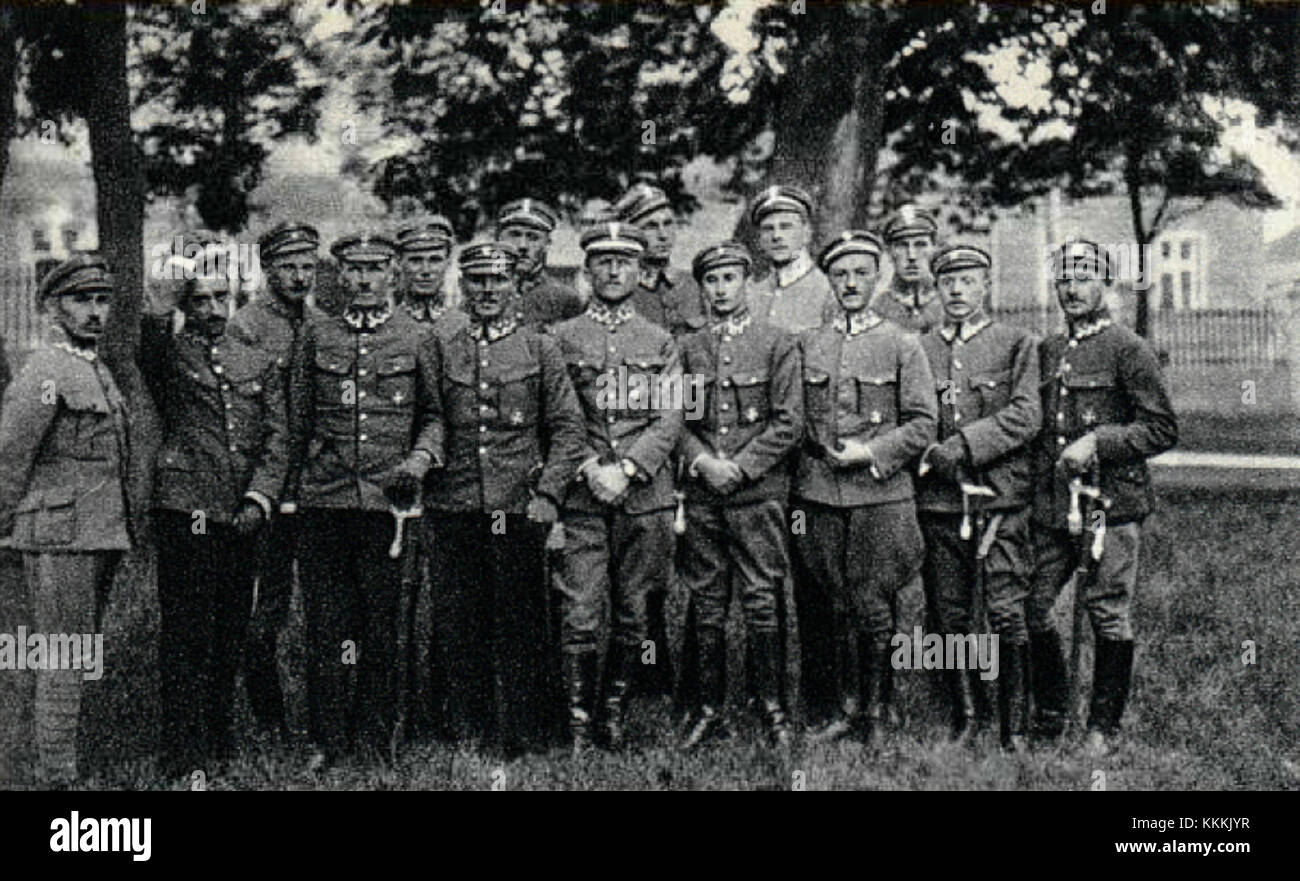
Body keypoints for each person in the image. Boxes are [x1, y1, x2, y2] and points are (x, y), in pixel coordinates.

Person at [409, 242, 586, 755]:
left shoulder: (540, 348)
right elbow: (430, 417)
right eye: (477, 281)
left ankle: (527, 729)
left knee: (521, 622)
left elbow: (568, 429)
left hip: (516, 504)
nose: (488, 291)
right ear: (462, 286)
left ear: (515, 286)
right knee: (459, 620)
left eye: (498, 280)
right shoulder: (441, 346)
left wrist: (550, 494)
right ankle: (467, 726)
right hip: (456, 503)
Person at [140, 242, 288, 777]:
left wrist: (260, 497)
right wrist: (175, 272)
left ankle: (220, 734)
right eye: (199, 300)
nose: (211, 309)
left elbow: (277, 438)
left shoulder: (257, 359)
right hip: (186, 510)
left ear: (236, 297)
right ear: (186, 303)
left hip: (241, 514)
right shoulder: (169, 355)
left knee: (231, 628)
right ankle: (181, 746)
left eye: (221, 297)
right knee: (187, 629)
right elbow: (152, 331)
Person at [294, 232, 441, 768]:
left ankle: (377, 739)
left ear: (393, 274)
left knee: (381, 627)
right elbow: (298, 418)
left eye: (374, 269)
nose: (362, 280)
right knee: (326, 627)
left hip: (387, 505)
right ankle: (325, 740)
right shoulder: (318, 335)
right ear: (339, 275)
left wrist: (418, 462)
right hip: (325, 502)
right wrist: (292, 497)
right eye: (352, 269)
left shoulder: (416, 336)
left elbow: (433, 416)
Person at [1027, 239, 1177, 757]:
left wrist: (1099, 442)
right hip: (1053, 509)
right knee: (1033, 606)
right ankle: (1049, 713)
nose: (1072, 287)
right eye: (1064, 277)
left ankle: (1101, 727)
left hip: (1109, 505)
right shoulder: (1047, 350)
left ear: (1106, 284)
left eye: (1085, 276)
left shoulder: (1128, 349)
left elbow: (1160, 429)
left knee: (1107, 611)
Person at [792, 230, 936, 747]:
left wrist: (872, 452)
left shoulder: (902, 343)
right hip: (820, 494)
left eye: (860, 273)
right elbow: (794, 418)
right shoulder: (810, 343)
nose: (850, 283)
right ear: (828, 279)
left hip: (881, 494)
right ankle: (842, 709)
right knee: (834, 605)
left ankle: (876, 713)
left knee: (873, 605)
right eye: (840, 274)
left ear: (878, 278)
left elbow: (923, 424)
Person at [0, 255, 133, 788]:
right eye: (82, 300)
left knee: (79, 651)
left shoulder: (94, 368)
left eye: (102, 300)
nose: (95, 311)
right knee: (63, 653)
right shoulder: (44, 371)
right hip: (58, 536)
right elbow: (10, 456)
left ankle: (64, 763)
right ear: (53, 308)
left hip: (97, 533)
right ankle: (58, 777)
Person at [551, 222, 684, 750]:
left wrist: (627, 469)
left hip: (644, 496)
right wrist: (589, 467)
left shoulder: (660, 341)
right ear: (587, 269)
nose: (612, 270)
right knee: (580, 610)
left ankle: (613, 712)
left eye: (623, 262)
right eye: (602, 261)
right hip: (583, 497)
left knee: (634, 610)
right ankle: (579, 723)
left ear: (638, 269)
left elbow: (672, 417)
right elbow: (558, 416)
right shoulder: (561, 339)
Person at [676, 242, 803, 748]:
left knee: (761, 600)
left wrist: (742, 468)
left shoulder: (776, 343)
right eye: (712, 280)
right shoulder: (686, 348)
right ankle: (709, 710)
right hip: (705, 494)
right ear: (703, 287)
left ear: (746, 282)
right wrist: (705, 463)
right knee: (707, 601)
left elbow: (789, 421)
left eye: (730, 278)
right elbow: (676, 421)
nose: (721, 289)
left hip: (758, 496)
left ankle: (772, 708)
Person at [916, 245, 1041, 751]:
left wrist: (963, 447)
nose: (958, 291)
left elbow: (1026, 415)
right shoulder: (920, 348)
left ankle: (1015, 726)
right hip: (939, 504)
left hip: (998, 502)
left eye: (969, 281)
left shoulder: (1017, 344)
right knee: (948, 614)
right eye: (949, 282)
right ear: (937, 289)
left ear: (986, 285)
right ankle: (966, 714)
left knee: (1006, 611)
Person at [231, 221, 323, 743]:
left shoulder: (323, 325)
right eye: (288, 266)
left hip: (316, 491)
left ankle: (319, 720)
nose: (299, 275)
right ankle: (269, 721)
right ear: (268, 269)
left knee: (321, 610)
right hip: (265, 490)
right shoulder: (246, 327)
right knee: (265, 608)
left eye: (307, 266)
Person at [616, 182, 707, 339]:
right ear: (630, 234)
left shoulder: (694, 285)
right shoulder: (618, 288)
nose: (663, 235)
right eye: (651, 226)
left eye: (668, 223)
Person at [748, 185, 836, 334]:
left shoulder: (829, 291)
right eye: (768, 228)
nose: (776, 236)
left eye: (786, 227)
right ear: (759, 239)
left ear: (807, 233)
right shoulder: (751, 293)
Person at [496, 198, 585, 329]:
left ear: (547, 243)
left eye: (533, 237)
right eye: (514, 235)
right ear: (498, 239)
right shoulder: (478, 293)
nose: (523, 245)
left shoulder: (564, 299)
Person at [872, 203, 944, 335]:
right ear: (889, 252)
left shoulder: (949, 303)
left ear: (933, 248)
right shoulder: (877, 309)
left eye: (920, 245)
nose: (911, 256)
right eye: (901, 246)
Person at [395, 215, 469, 340]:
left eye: (435, 260)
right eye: (416, 260)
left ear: (448, 262)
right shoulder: (387, 326)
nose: (426, 270)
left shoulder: (466, 326)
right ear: (399, 262)